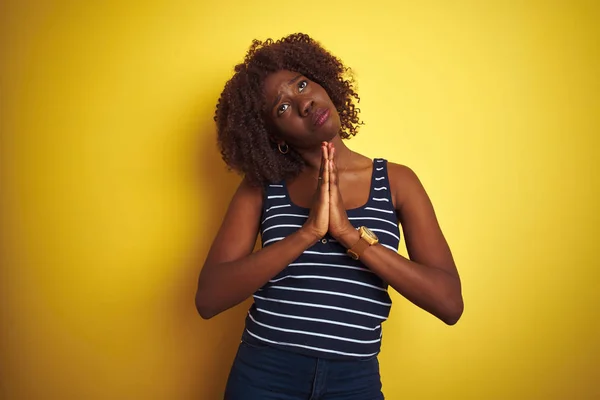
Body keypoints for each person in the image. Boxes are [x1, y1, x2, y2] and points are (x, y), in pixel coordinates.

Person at [195, 33, 463, 400]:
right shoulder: (262, 187)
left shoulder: (397, 181)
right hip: (265, 375)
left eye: (302, 85)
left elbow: (449, 303)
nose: (303, 103)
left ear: (324, 82)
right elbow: (208, 298)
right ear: (274, 137)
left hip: (353, 381)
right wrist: (308, 233)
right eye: (282, 108)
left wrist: (349, 235)